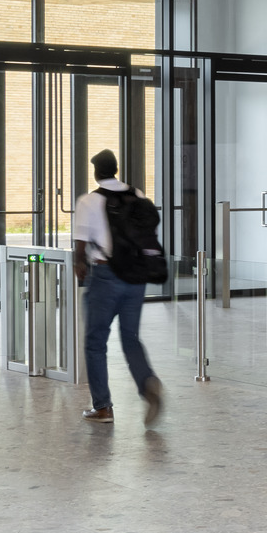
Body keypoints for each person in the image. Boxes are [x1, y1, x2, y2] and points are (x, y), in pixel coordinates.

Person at [72, 149, 165, 424]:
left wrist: (80, 266)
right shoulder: (137, 196)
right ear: (116, 169)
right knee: (130, 337)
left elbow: (79, 245)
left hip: (105, 276)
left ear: (96, 172)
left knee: (95, 341)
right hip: (136, 276)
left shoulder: (89, 201)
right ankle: (147, 382)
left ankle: (102, 406)